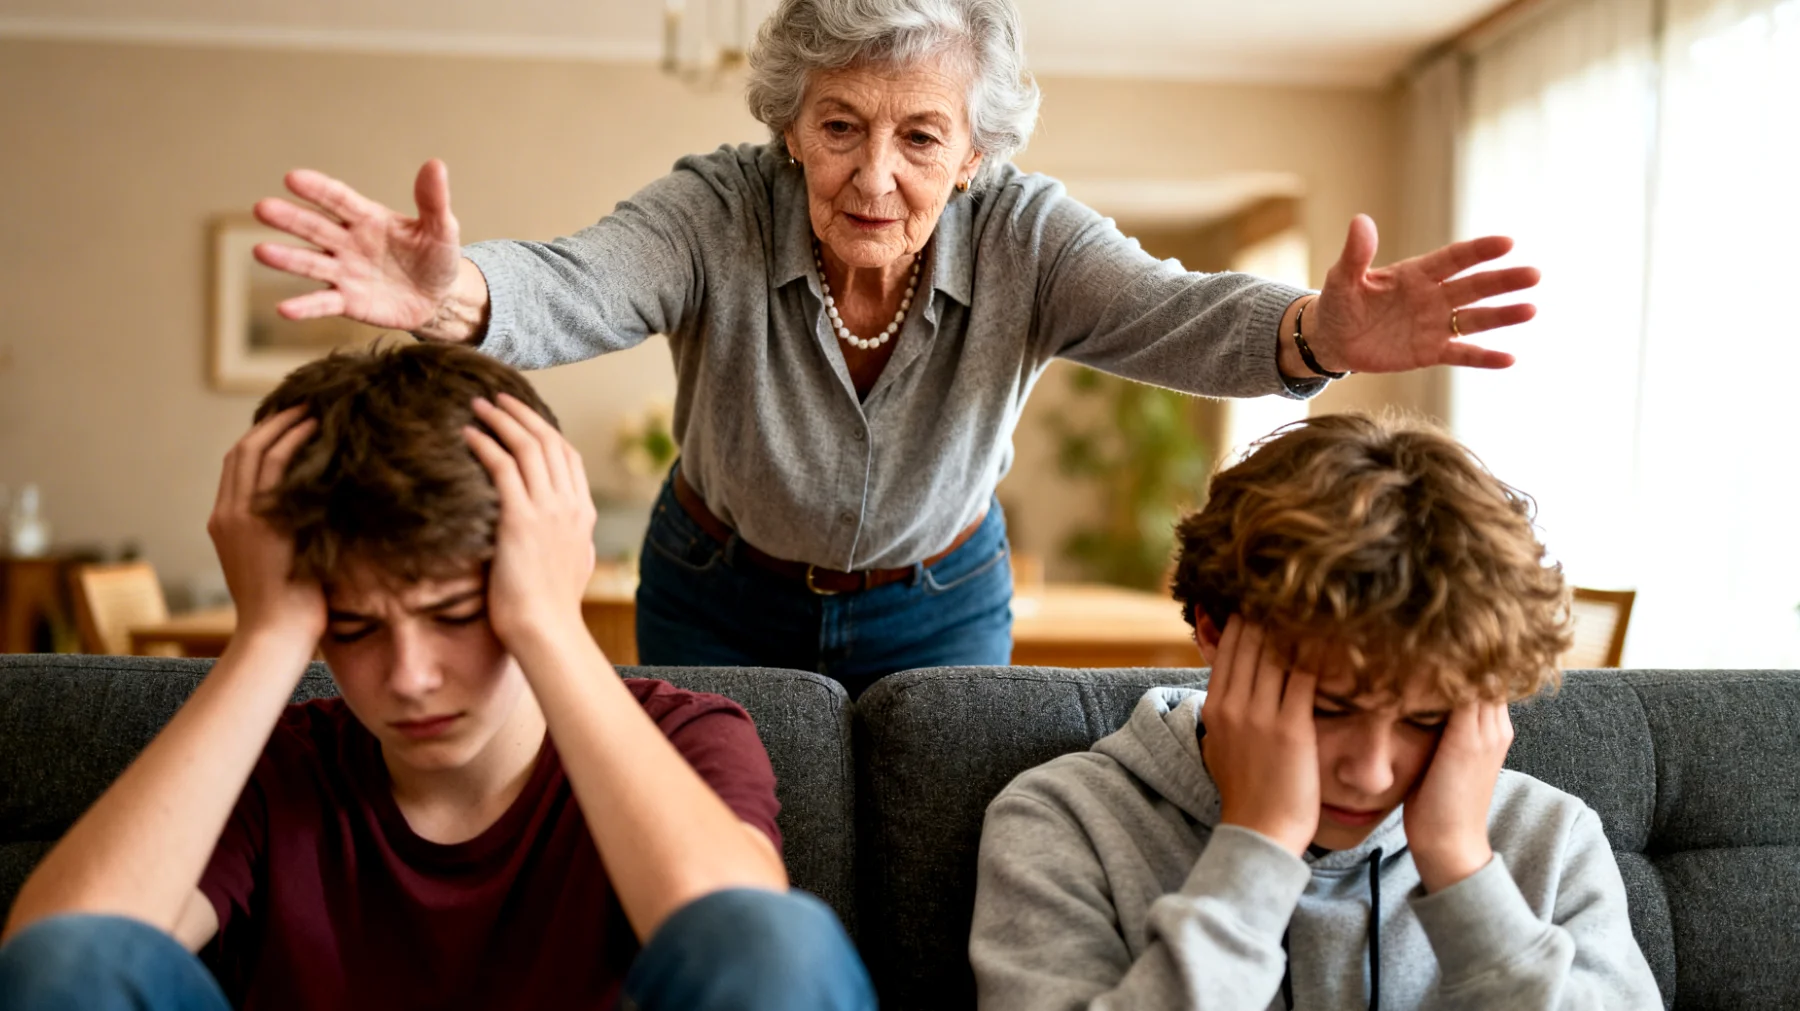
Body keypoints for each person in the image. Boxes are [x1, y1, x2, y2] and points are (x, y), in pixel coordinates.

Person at [247, 0, 1544, 693]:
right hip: (717, 589)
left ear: (974, 153)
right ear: (789, 127)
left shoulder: (1028, 235)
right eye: (839, 127)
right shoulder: (716, 207)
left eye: (920, 136)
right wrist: (459, 292)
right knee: (721, 839)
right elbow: (582, 280)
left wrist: (1316, 331)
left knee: (937, 862)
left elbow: (1173, 309)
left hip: (942, 601)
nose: (874, 175)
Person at [0, 343, 873, 1011]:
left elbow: (752, 954)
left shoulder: (687, 735)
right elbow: (59, 960)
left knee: (776, 938)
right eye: (355, 628)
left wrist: (547, 621)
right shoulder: (268, 770)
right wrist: (268, 634)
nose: (410, 677)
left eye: (455, 614)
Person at [968, 413, 1660, 1010]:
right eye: (1329, 708)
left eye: (1425, 719)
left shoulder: (1549, 838)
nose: (1370, 772)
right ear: (1213, 629)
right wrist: (1257, 850)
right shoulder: (1065, 820)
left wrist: (1462, 869)